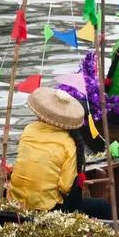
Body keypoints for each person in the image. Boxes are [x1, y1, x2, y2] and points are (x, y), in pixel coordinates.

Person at [8, 87, 111, 218]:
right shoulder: (68, 143)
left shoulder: (29, 129)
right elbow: (65, 187)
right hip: (46, 207)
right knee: (103, 206)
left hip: (16, 200)